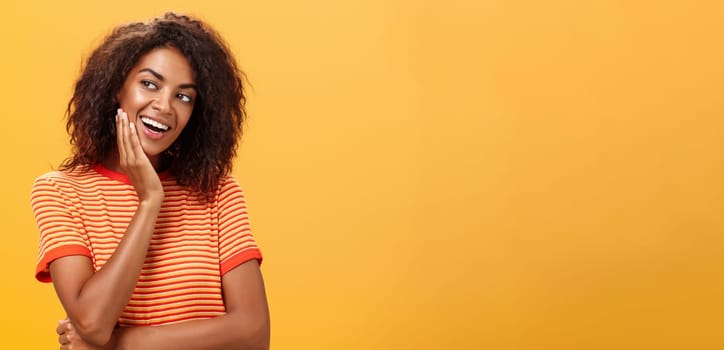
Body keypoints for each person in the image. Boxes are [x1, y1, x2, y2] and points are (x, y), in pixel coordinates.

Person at [30, 12, 270, 350]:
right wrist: (149, 202)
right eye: (150, 84)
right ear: (117, 88)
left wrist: (121, 344)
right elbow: (93, 324)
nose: (164, 106)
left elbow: (254, 333)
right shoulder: (60, 191)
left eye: (183, 96)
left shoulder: (217, 191)